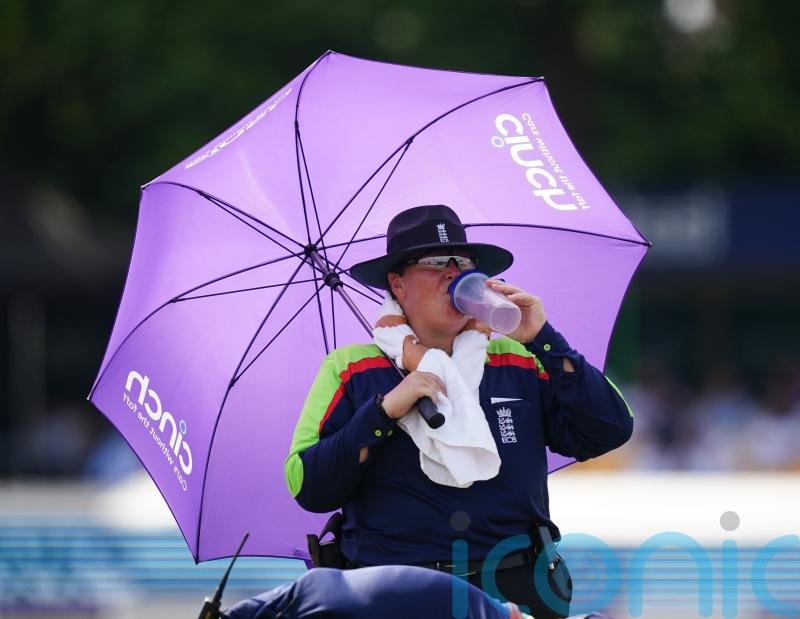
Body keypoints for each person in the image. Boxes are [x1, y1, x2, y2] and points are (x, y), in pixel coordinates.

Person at [285, 205, 633, 618]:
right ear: (397, 284)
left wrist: (543, 337)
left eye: (463, 263)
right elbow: (308, 485)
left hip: (516, 589)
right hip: (394, 594)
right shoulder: (352, 368)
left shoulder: (517, 356)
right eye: (434, 263)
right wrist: (383, 412)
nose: (453, 272)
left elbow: (609, 428)